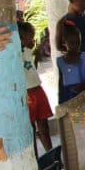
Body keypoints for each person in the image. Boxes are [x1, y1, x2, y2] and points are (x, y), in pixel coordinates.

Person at [18, 21, 52, 152]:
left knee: (44, 125)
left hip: (38, 90)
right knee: (30, 128)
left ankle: (50, 152)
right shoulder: (15, 54)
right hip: (27, 95)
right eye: (30, 38)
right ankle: (35, 158)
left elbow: (32, 68)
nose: (33, 41)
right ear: (21, 38)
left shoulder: (28, 51)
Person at [56, 22, 85, 103]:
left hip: (84, 91)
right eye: (72, 43)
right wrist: (60, 98)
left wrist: (84, 84)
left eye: (78, 42)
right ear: (64, 42)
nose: (75, 45)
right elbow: (61, 82)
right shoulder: (60, 61)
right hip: (68, 94)